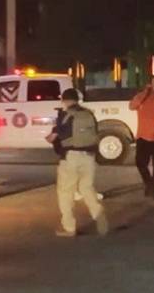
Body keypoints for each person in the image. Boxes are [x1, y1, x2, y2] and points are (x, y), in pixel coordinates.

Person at [46, 88, 108, 237]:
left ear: (65, 100)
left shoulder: (65, 116)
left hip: (71, 157)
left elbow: (53, 137)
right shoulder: (89, 114)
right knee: (87, 189)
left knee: (65, 192)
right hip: (89, 157)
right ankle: (102, 224)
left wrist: (50, 138)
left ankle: (69, 227)